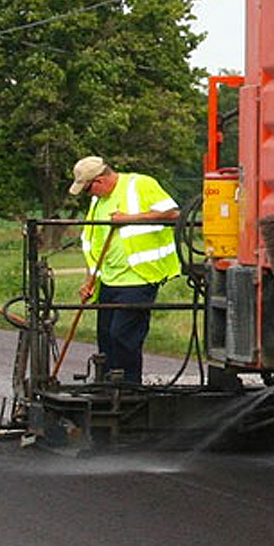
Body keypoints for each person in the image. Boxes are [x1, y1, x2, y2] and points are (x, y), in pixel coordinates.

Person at [68, 155, 180, 384]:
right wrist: (90, 280)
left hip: (139, 277)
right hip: (109, 279)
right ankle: (108, 385)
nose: (89, 195)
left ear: (99, 181)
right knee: (106, 336)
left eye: (88, 189)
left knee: (123, 334)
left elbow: (172, 214)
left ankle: (129, 385)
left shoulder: (139, 184)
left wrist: (130, 219)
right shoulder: (97, 202)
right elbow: (94, 244)